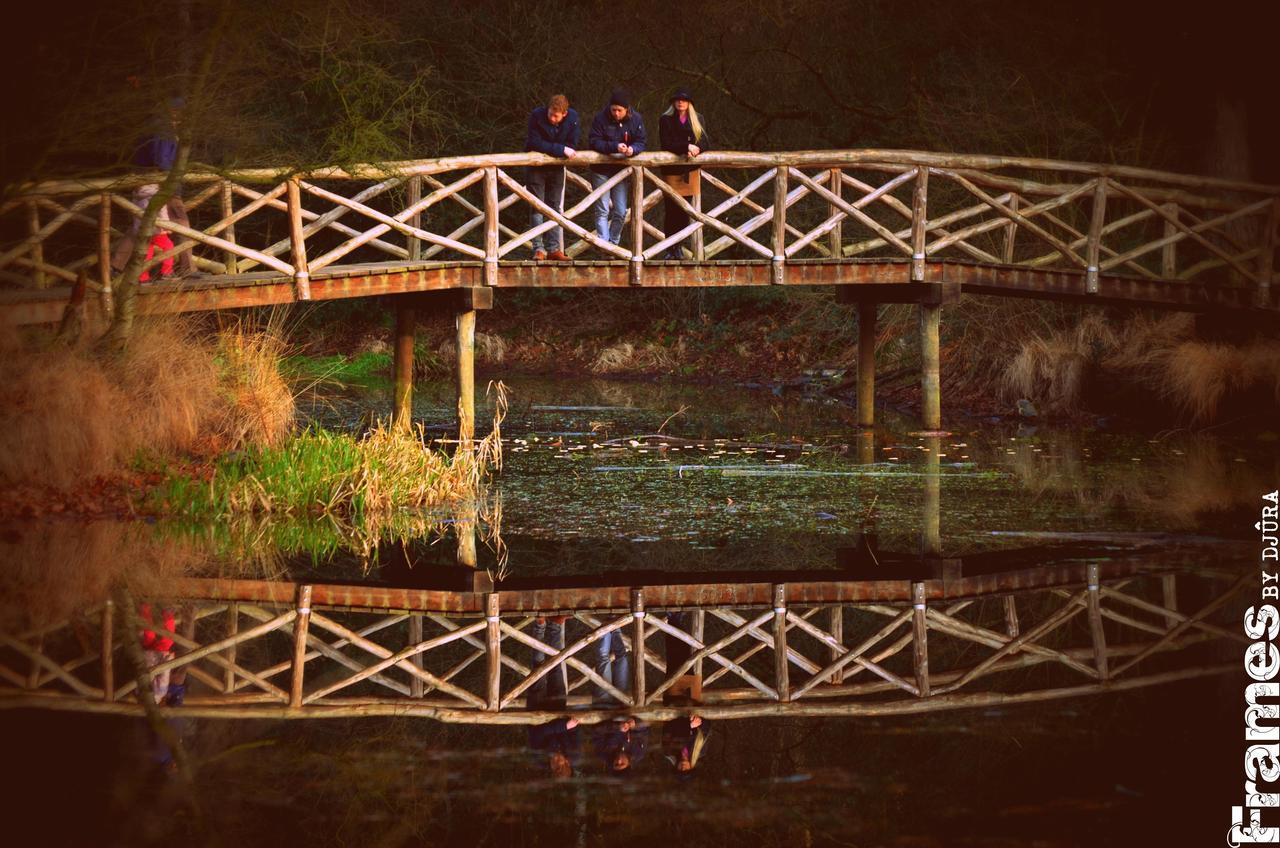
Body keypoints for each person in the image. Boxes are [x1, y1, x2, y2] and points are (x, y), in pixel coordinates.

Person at [111, 97, 195, 277]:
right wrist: (172, 181)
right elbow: (162, 159)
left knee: (141, 225)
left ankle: (116, 265)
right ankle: (186, 268)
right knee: (181, 222)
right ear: (174, 111)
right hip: (161, 183)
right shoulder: (163, 129)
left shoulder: (153, 125)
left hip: (147, 181)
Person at [587, 88, 646, 246]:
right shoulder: (600, 118)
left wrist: (633, 149)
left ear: (627, 109)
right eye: (614, 109)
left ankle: (613, 243)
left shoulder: (636, 119)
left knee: (621, 211)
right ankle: (605, 246)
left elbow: (641, 141)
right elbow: (593, 141)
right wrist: (614, 146)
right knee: (602, 210)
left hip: (620, 171)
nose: (616, 113)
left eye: (619, 110)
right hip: (601, 170)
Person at [658, 88, 711, 260]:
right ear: (673, 102)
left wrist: (697, 149)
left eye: (684, 100)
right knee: (671, 211)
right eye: (677, 100)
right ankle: (669, 248)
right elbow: (666, 143)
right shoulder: (665, 119)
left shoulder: (698, 118)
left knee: (684, 212)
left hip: (690, 171)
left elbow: (705, 141)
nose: (680, 102)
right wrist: (685, 147)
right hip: (672, 171)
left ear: (689, 103)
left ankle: (679, 246)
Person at [524, 94, 579, 261]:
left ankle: (554, 248)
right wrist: (560, 150)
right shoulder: (537, 115)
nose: (552, 118)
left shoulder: (573, 118)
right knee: (537, 206)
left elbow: (572, 144)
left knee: (555, 207)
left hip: (556, 168)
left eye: (556, 116)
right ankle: (538, 249)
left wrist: (559, 150)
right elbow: (535, 142)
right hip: (536, 166)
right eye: (550, 114)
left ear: (565, 114)